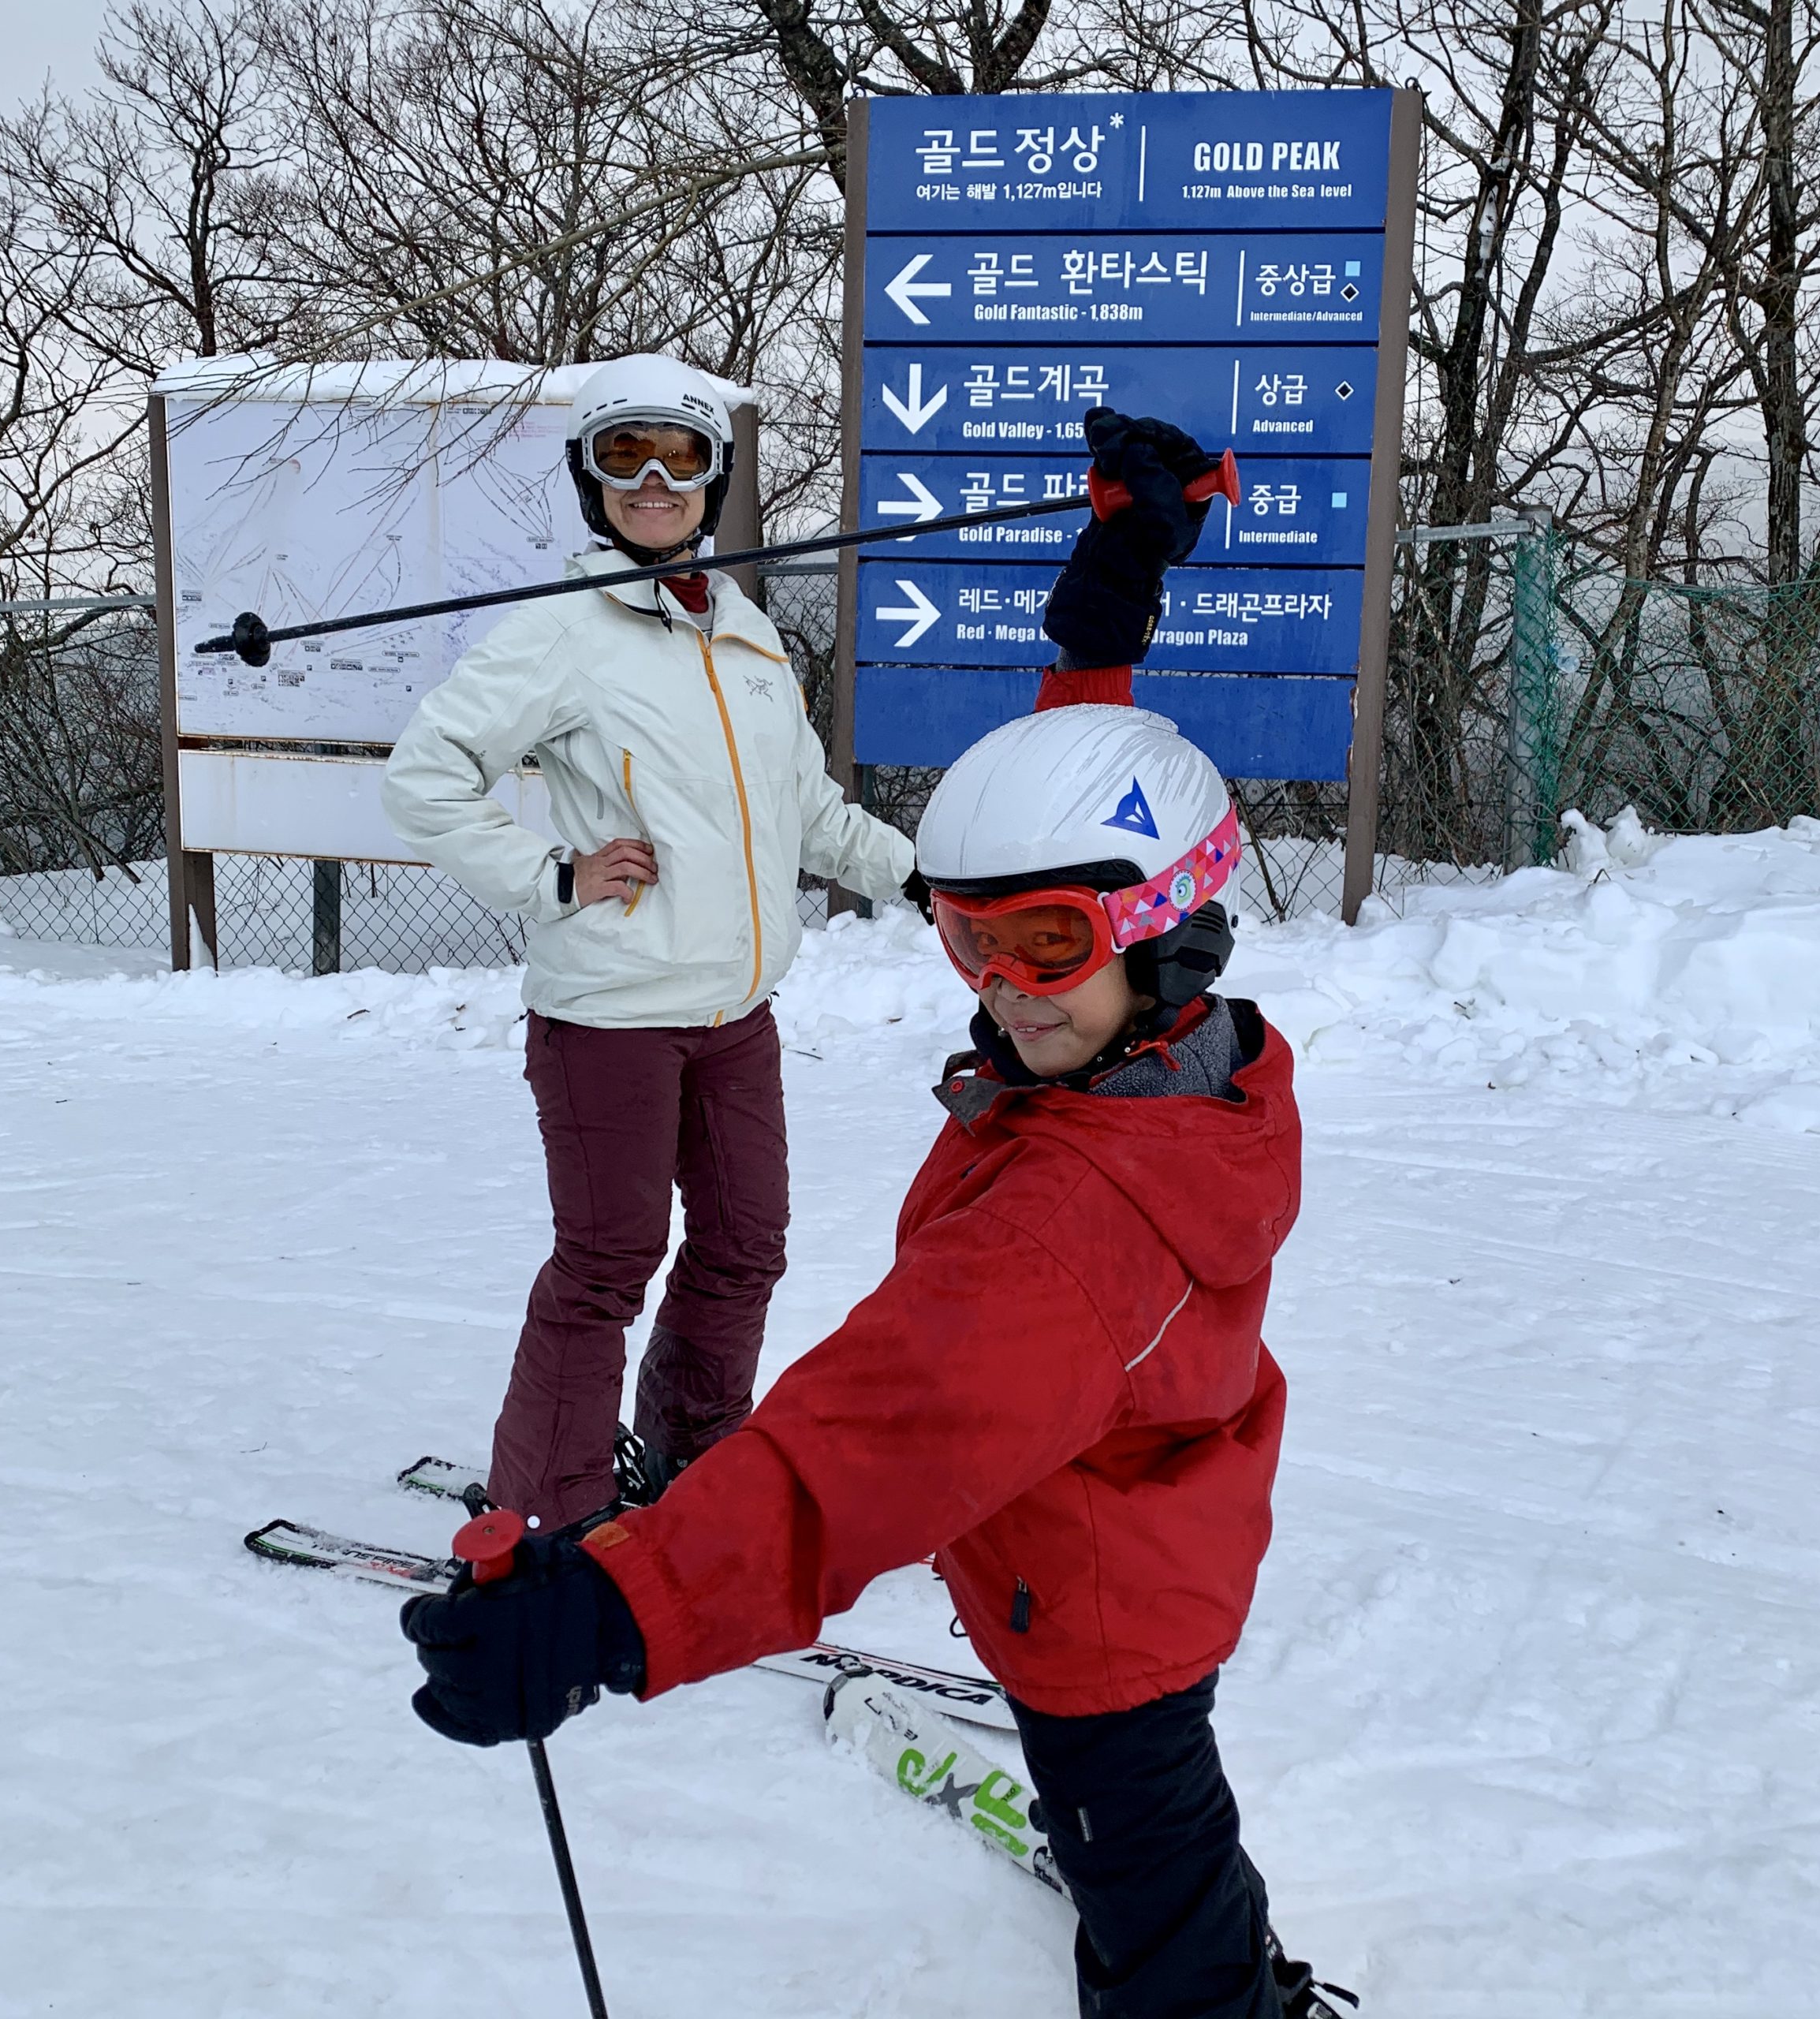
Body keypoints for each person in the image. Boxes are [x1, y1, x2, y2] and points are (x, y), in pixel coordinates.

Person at [397, 412, 1354, 2019]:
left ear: (1167, 932)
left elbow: (854, 1449)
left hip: (1092, 1605)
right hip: (1114, 1525)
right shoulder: (1173, 1062)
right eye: (971, 941)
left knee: (1141, 1849)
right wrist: (1110, 593)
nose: (999, 988)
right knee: (1148, 1825)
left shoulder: (1065, 1226)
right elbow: (1086, 809)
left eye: (1043, 946)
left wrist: (606, 1606)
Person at [382, 353, 916, 1529]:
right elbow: (425, 778)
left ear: (715, 479)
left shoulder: (748, 633)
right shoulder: (562, 634)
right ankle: (556, 1513)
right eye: (627, 457)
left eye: (682, 458)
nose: (657, 481)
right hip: (611, 1015)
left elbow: (806, 810)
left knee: (744, 1250)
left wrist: (914, 874)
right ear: (593, 479)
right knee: (605, 1270)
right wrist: (548, 874)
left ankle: (695, 1464)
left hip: (737, 1015)